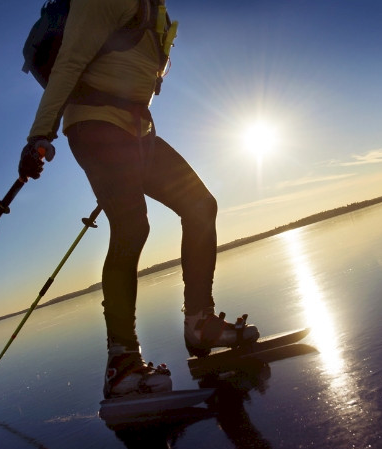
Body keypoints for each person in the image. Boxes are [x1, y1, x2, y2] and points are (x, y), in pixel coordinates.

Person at [18, 0, 259, 399]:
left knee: (201, 206)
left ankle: (199, 323)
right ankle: (122, 363)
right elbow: (69, 62)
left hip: (137, 131)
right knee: (132, 226)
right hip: (96, 124)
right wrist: (39, 136)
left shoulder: (156, 11)